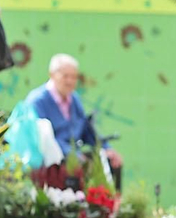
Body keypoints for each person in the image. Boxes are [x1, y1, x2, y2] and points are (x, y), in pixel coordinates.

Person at [23, 54, 123, 184]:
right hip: (52, 160)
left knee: (112, 162)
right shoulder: (37, 101)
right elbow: (44, 139)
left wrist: (105, 148)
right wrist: (73, 155)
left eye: (74, 77)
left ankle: (109, 202)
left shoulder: (74, 99)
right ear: (52, 74)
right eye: (65, 76)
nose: (70, 81)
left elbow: (86, 130)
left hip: (75, 155)